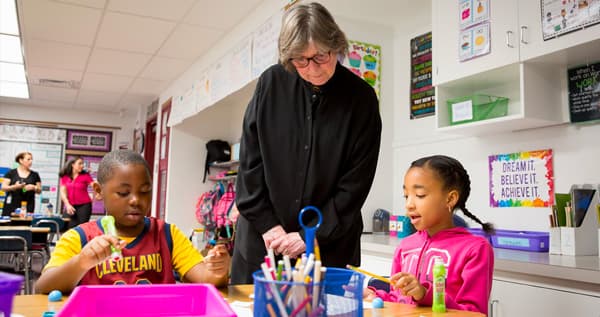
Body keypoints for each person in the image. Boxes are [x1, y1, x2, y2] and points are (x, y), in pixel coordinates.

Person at [232, 2, 381, 284]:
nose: (312, 69)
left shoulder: (361, 100)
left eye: (321, 56)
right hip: (263, 244)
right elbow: (250, 164)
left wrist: (309, 235)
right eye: (301, 60)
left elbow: (355, 184)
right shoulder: (271, 84)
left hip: (328, 246)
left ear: (336, 45)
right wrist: (268, 225)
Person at [35, 150, 230, 294]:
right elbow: (43, 286)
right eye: (123, 193)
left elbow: (207, 279)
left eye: (144, 191)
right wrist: (82, 261)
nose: (136, 200)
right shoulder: (79, 238)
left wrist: (218, 270)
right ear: (98, 190)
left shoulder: (167, 234)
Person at [364, 155, 494, 315]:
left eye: (419, 195)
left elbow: (474, 313)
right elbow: (397, 298)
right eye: (406, 196)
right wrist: (374, 295)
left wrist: (425, 294)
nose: (409, 204)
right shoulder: (405, 246)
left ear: (450, 198)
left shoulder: (475, 249)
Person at [1, 152, 42, 216]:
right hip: (12, 204)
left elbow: (39, 190)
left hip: (28, 204)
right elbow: (3, 188)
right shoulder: (11, 173)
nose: (31, 161)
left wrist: (34, 187)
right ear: (21, 160)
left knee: (25, 224)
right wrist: (14, 187)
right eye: (28, 159)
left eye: (31, 159)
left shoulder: (35, 175)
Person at [59, 156, 94, 228]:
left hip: (84, 206)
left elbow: (95, 186)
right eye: (80, 163)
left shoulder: (85, 176)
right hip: (70, 205)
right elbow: (63, 192)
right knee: (65, 226)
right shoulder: (65, 177)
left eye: (83, 164)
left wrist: (97, 194)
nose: (82, 166)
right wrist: (67, 204)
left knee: (81, 228)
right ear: (72, 165)